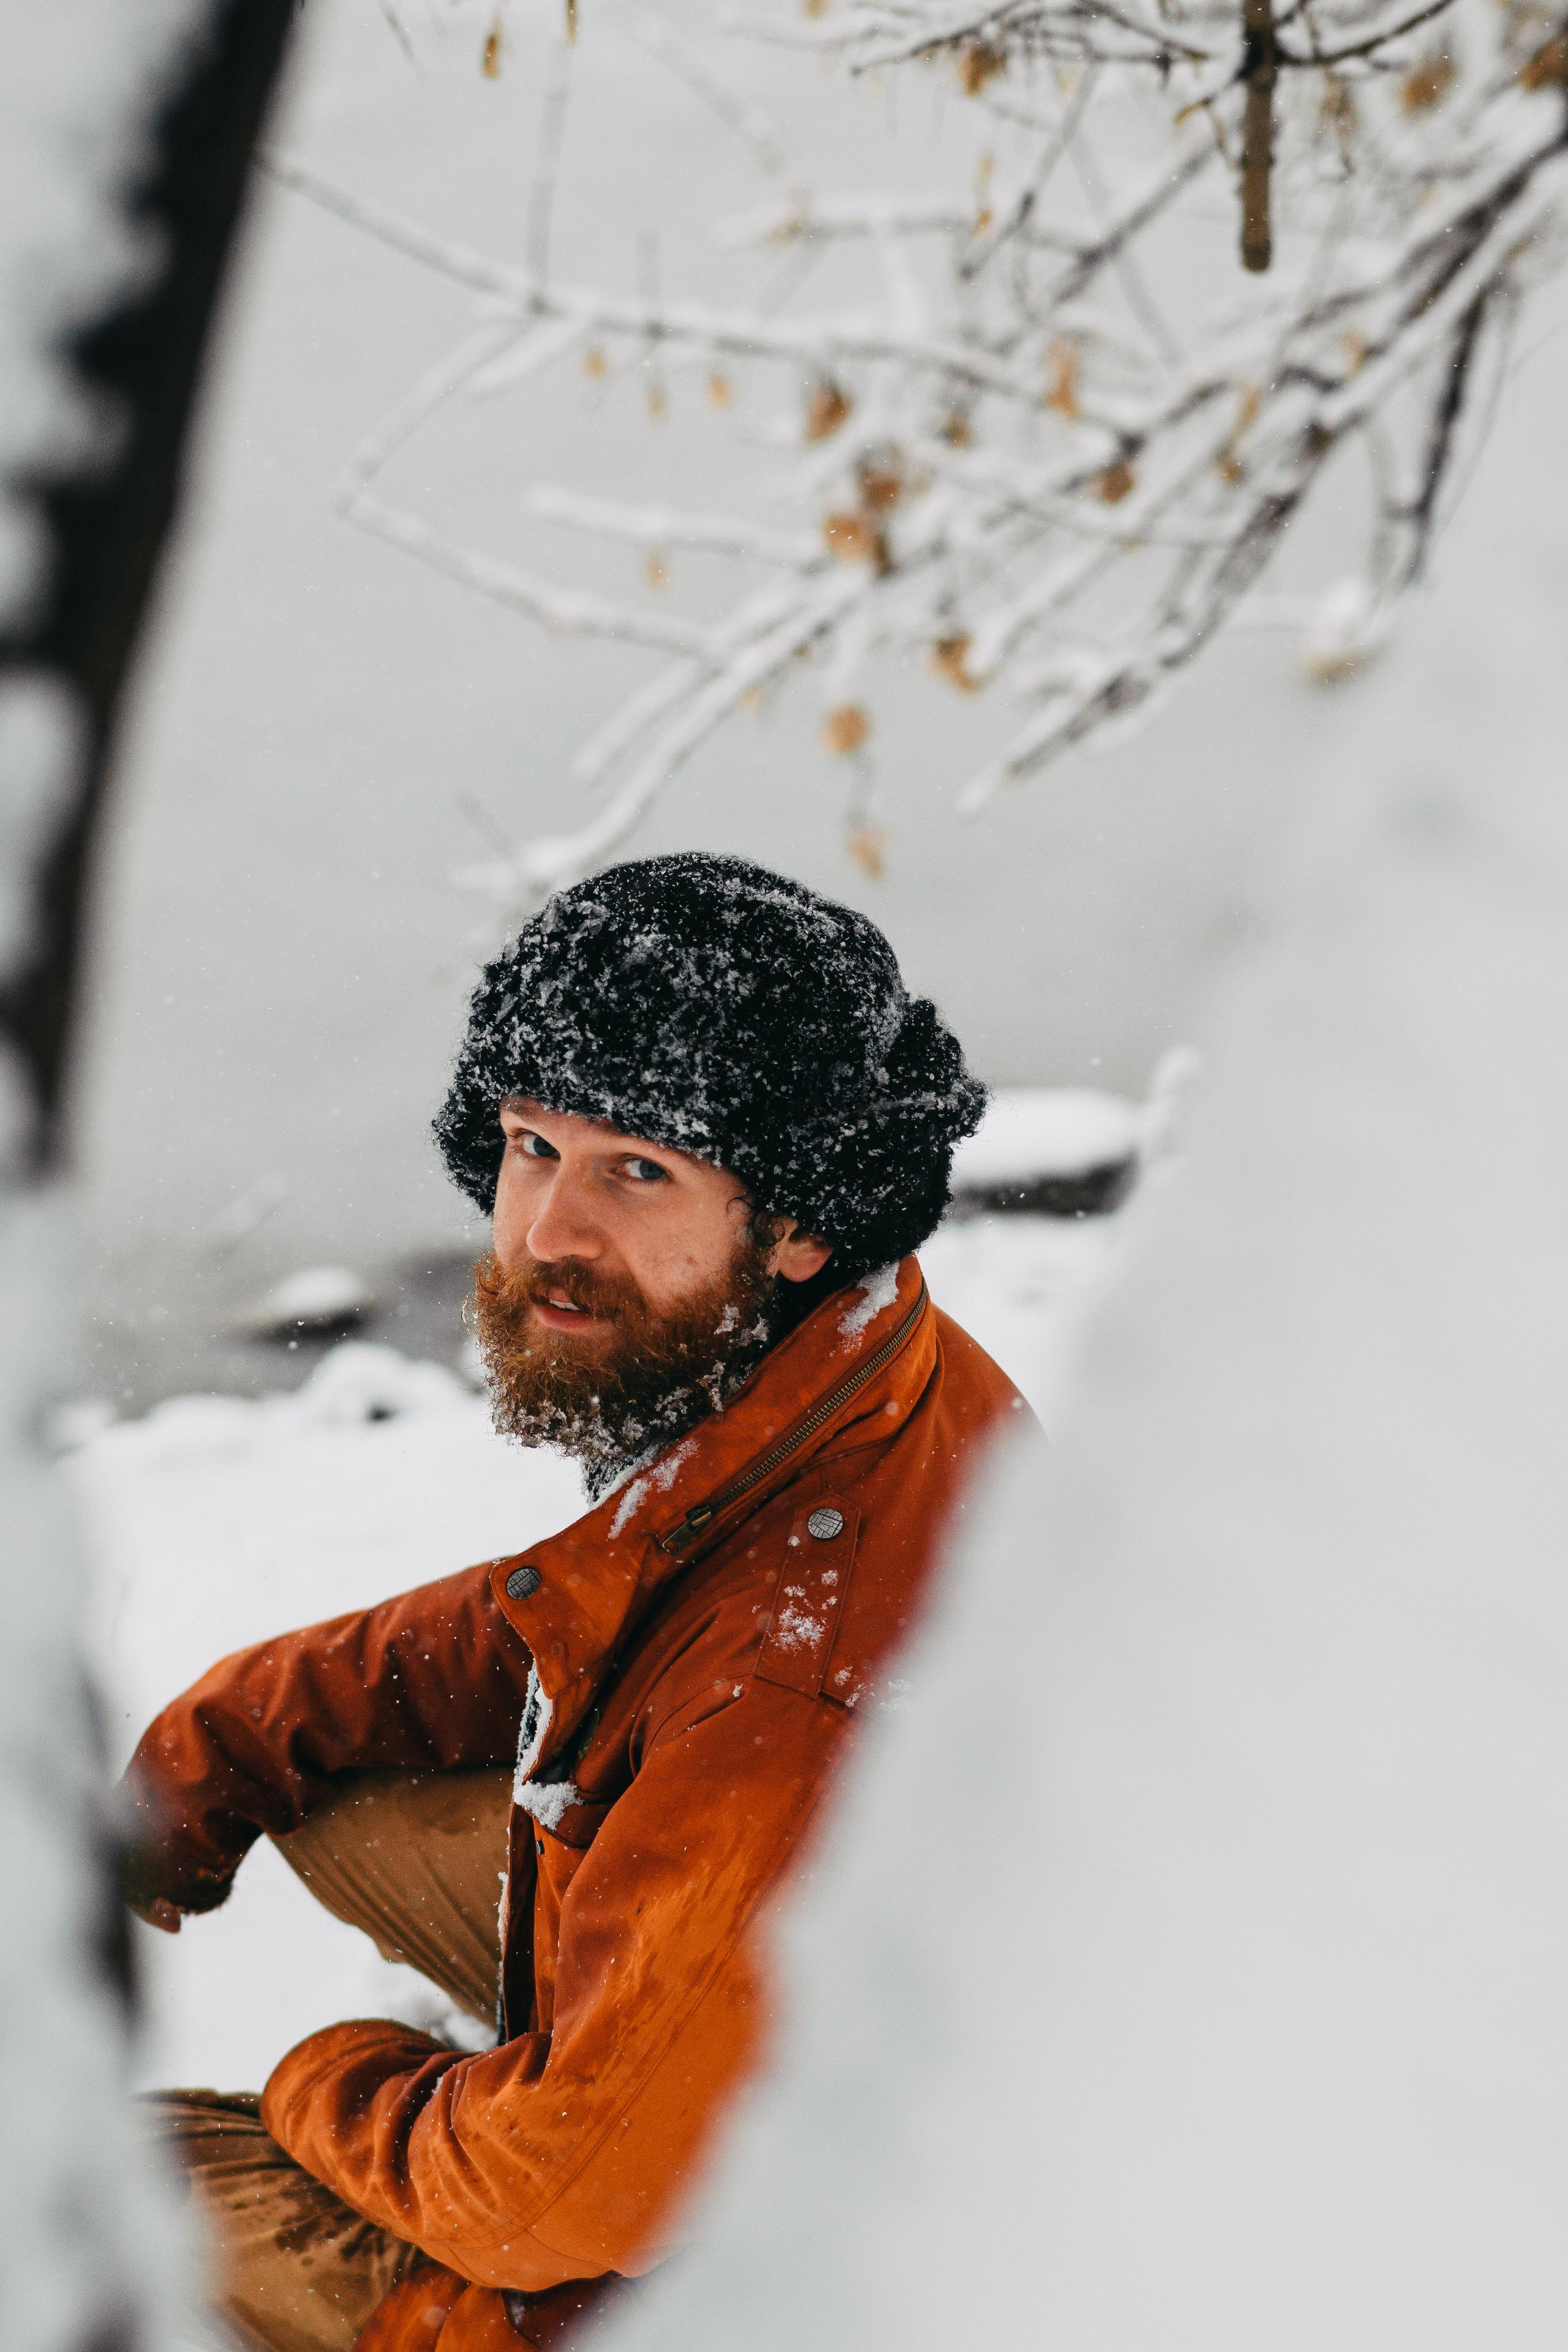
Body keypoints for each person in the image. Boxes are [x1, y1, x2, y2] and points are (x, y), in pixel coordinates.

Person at [124, 853, 1033, 2352]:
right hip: (847, 2026)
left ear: (801, 1218)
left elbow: (549, 2209)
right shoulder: (845, 1362)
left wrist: (331, 2080)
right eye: (531, 1145)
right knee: (346, 1776)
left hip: (746, 2267)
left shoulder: (792, 1680)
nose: (546, 1228)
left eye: (638, 1170)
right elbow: (588, 1611)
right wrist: (228, 1727)